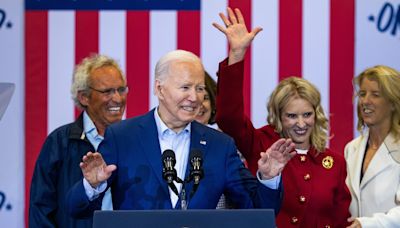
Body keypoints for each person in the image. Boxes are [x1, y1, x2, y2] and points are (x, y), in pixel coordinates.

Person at [66, 49, 295, 218]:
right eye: (185, 88)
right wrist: (91, 186)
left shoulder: (220, 145)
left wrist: (268, 178)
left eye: (199, 88)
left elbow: (259, 212)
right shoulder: (122, 137)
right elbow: (75, 209)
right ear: (159, 89)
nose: (194, 98)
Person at [213, 7, 351, 227]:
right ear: (277, 116)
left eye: (307, 114)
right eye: (291, 116)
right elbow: (228, 117)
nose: (301, 123)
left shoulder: (335, 163)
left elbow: (340, 220)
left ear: (317, 114)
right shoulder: (261, 143)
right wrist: (237, 56)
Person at [29, 54, 128, 228]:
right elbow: (41, 209)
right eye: (107, 91)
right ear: (84, 97)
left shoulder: (135, 139)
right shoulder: (59, 142)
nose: (118, 99)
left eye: (121, 90)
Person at [345, 65, 400, 228]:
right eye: (362, 94)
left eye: (375, 95)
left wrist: (366, 224)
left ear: (393, 103)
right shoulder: (351, 148)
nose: (365, 101)